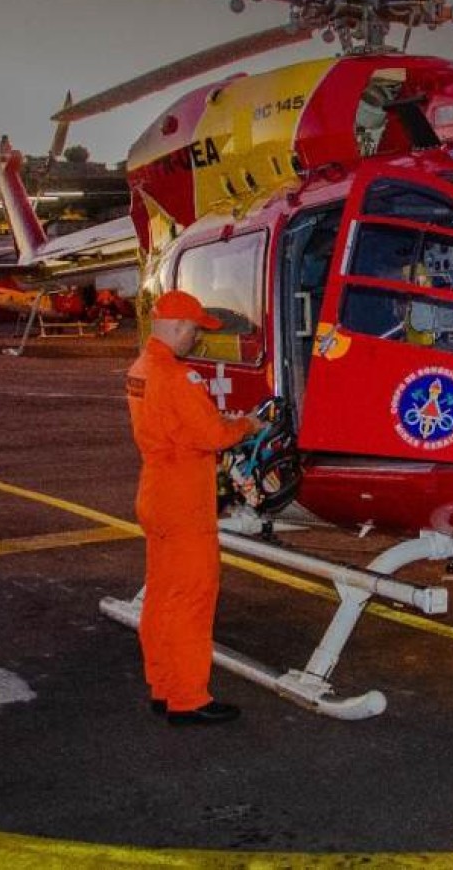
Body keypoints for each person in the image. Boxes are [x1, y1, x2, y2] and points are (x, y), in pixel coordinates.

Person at [126, 290, 259, 726]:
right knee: (193, 599)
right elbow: (213, 436)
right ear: (179, 328)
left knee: (162, 595)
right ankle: (188, 700)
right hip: (185, 500)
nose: (196, 340)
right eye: (195, 331)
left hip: (155, 493)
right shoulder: (177, 378)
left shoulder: (141, 369)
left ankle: (163, 685)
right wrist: (248, 425)